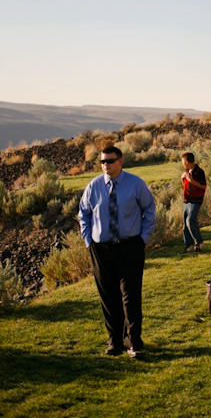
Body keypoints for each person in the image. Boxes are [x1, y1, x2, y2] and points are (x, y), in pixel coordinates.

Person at [78, 145, 156, 358]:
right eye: (102, 161)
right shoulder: (94, 186)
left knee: (130, 296)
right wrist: (88, 241)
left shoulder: (135, 184)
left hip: (130, 247)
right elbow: (83, 214)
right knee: (108, 296)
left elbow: (149, 209)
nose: (105, 165)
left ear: (120, 161)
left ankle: (134, 342)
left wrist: (143, 239)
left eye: (109, 161)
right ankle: (114, 341)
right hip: (101, 250)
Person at [181, 152, 206, 252]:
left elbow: (204, 186)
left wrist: (191, 181)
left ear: (186, 162)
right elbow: (185, 184)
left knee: (190, 220)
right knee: (185, 223)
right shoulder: (187, 172)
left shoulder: (199, 172)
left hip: (196, 200)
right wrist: (182, 179)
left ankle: (199, 242)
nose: (182, 164)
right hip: (187, 200)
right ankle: (189, 245)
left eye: (183, 162)